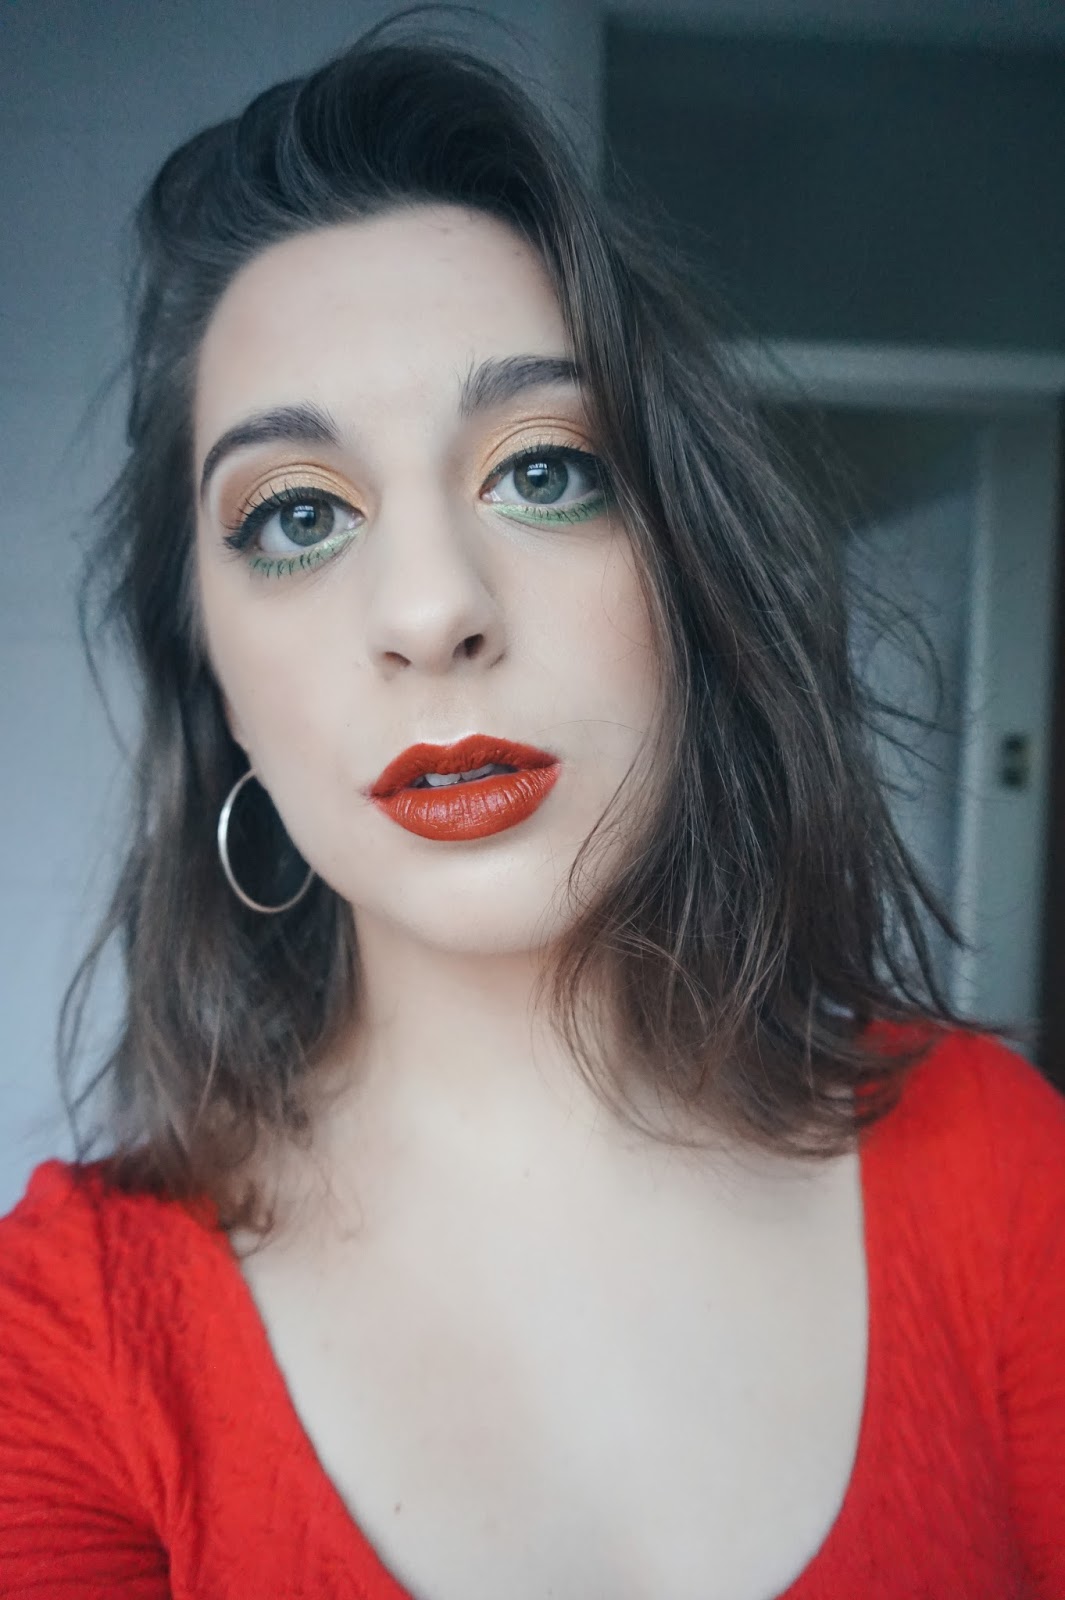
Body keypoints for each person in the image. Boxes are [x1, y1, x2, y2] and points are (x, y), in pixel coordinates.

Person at [1, 16, 1063, 1600]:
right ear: (212, 672)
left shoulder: (999, 1166)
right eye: (296, 515)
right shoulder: (64, 1340)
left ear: (682, 576)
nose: (432, 608)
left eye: (545, 470)